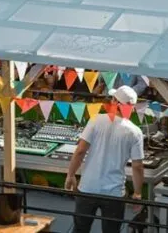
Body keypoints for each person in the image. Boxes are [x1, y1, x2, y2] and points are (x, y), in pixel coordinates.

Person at [66, 86, 145, 233]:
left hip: (88, 187)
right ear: (132, 108)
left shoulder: (96, 120)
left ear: (114, 101)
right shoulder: (135, 132)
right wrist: (137, 193)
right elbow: (137, 166)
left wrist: (70, 175)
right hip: (114, 192)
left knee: (80, 229)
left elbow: (80, 151)